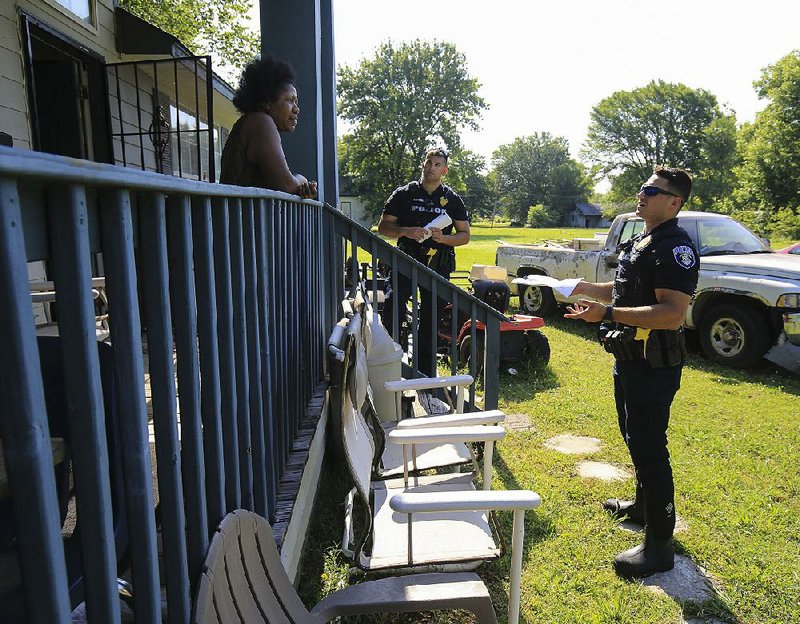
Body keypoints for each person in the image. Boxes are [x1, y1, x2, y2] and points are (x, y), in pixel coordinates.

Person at [564, 167, 699, 579]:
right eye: (642, 187)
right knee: (632, 435)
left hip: (654, 362)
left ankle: (659, 544)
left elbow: (673, 314)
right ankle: (642, 508)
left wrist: (607, 313)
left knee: (649, 446)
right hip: (630, 357)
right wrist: (584, 288)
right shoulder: (644, 239)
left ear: (674, 202)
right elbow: (624, 289)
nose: (640, 194)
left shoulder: (676, 247)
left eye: (651, 191)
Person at [378, 148, 470, 376]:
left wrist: (444, 238)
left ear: (444, 170)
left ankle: (425, 376)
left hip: (437, 266)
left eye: (437, 164)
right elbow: (383, 227)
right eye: (429, 162)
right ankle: (390, 365)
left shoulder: (452, 199)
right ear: (423, 164)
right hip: (405, 262)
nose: (432, 167)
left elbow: (465, 235)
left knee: (431, 320)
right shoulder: (404, 194)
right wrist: (405, 231)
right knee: (392, 309)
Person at [220, 55, 316, 198]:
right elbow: (286, 186)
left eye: (296, 102)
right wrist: (302, 180)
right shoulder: (261, 122)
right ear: (266, 102)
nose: (296, 109)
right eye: (290, 100)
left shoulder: (250, 122)